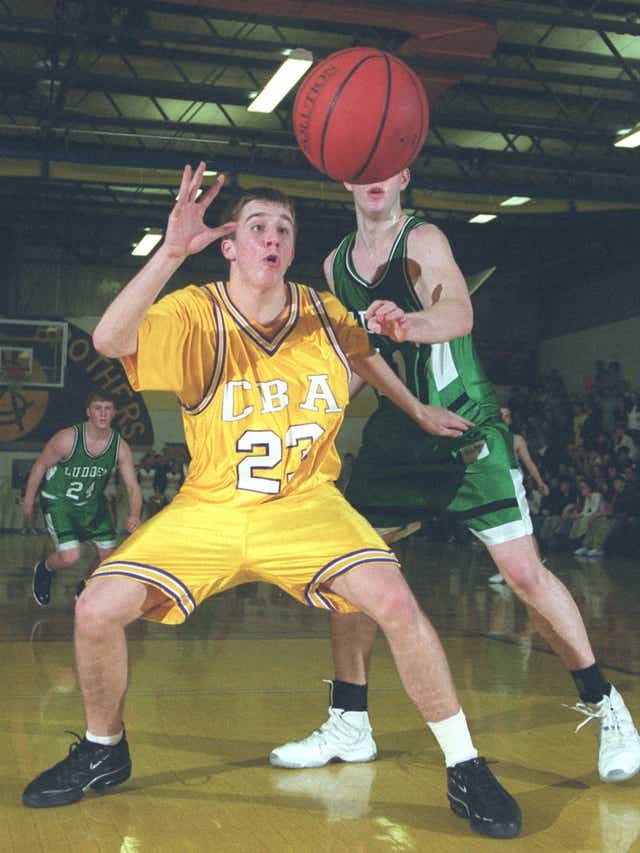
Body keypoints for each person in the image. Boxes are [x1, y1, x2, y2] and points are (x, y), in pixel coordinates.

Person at [21, 162, 522, 840]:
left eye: (284, 227)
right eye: (257, 225)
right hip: (212, 508)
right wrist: (170, 250)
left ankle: (465, 763)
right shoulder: (196, 311)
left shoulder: (323, 310)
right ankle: (104, 750)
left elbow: (371, 354)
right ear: (229, 245)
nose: (273, 236)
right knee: (96, 607)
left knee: (397, 600)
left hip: (306, 505)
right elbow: (110, 341)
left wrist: (417, 405)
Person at [269, 168, 640, 787]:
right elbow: (359, 357)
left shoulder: (424, 239)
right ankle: (349, 722)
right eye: (363, 168)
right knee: (347, 571)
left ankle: (610, 709)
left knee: (523, 574)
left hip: (464, 420)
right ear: (345, 180)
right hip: (398, 432)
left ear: (404, 175)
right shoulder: (337, 266)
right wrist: (315, 414)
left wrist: (409, 325)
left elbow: (458, 312)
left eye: (386, 166)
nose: (375, 179)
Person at [21, 391, 142, 607]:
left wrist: (134, 514)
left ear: (114, 413)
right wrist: (29, 499)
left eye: (107, 408)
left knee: (109, 558)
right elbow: (40, 465)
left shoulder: (120, 446)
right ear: (88, 412)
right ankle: (44, 569)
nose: (103, 413)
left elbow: (132, 486)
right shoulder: (67, 438)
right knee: (70, 557)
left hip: (92, 504)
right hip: (59, 501)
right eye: (98, 408)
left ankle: (85, 585)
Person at [488, 407, 549, 583]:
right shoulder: (488, 439)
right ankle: (507, 571)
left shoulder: (517, 440)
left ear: (510, 420)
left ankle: (537, 565)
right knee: (500, 530)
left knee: (524, 526)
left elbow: (529, 463)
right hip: (495, 487)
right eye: (501, 416)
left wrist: (540, 482)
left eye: (507, 416)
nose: (504, 419)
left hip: (513, 486)